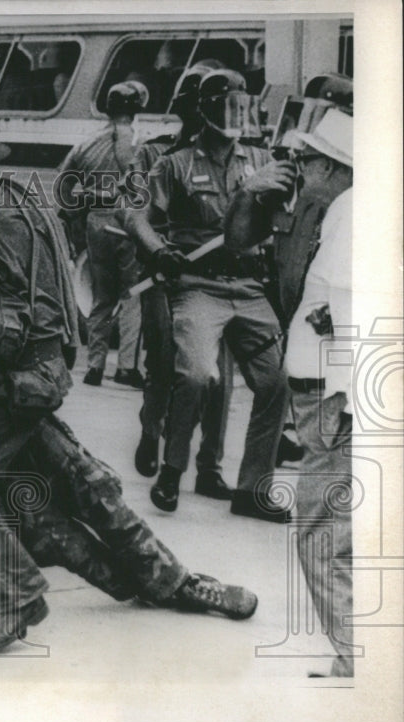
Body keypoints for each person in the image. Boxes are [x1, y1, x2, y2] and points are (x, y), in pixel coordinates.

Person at [0, 98, 259, 653]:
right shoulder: (9, 196)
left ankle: (16, 596)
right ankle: (154, 582)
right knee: (75, 488)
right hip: (36, 370)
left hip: (12, 379)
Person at [128, 70, 290, 521]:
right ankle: (173, 469)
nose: (235, 116)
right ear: (204, 110)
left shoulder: (262, 160)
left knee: (278, 382)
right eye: (226, 106)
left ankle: (253, 490)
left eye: (242, 105)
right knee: (199, 376)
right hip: (198, 286)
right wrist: (159, 250)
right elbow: (136, 216)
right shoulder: (173, 163)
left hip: (250, 286)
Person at [227, 106, 355, 677]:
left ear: (332, 166)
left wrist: (351, 399)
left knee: (320, 538)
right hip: (328, 392)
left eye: (306, 161)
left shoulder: (352, 217)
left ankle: (358, 662)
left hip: (334, 396)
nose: (296, 168)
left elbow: (354, 306)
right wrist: (252, 195)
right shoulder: (319, 208)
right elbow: (238, 241)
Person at [123, 64, 234, 504]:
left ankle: (210, 464)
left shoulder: (233, 153)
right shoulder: (155, 154)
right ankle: (153, 430)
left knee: (217, 375)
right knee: (165, 365)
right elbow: (132, 211)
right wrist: (158, 248)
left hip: (212, 277)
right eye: (195, 107)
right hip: (161, 274)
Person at [58, 81, 149, 389]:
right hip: (128, 222)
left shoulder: (86, 143)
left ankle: (94, 366)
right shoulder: (140, 142)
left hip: (96, 221)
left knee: (101, 297)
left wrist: (75, 214)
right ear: (136, 109)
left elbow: (63, 185)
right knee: (132, 295)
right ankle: (126, 367)